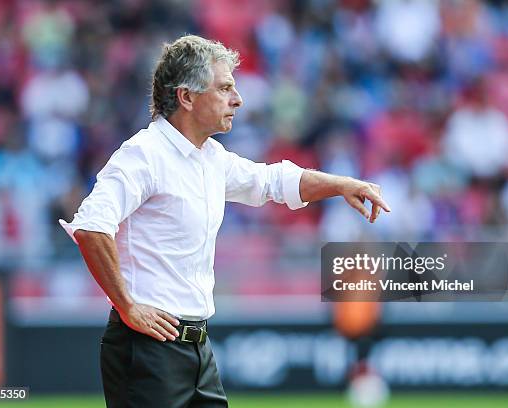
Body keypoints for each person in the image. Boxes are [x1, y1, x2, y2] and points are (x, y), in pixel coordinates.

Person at [59, 35, 390, 408]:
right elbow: (91, 227)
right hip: (147, 349)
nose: (238, 99)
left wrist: (343, 184)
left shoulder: (211, 158)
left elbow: (274, 181)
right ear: (186, 97)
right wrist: (127, 305)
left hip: (197, 349)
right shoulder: (143, 155)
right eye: (225, 88)